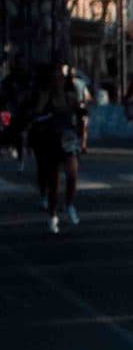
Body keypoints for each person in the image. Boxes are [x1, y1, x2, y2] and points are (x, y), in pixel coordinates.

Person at [26, 63, 84, 231]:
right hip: (50, 141)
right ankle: (52, 214)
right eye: (55, 77)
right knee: (54, 182)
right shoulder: (43, 96)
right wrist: (44, 117)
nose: (58, 80)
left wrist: (80, 119)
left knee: (72, 174)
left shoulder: (69, 97)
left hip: (67, 140)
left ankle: (69, 204)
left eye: (60, 77)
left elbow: (80, 113)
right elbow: (34, 115)